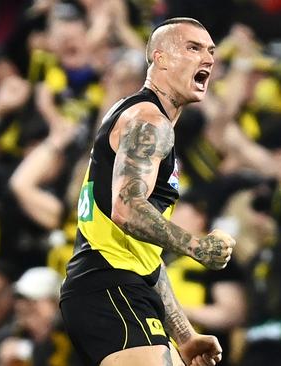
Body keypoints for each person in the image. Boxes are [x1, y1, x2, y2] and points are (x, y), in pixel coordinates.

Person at [60, 17, 236, 366]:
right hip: (109, 285)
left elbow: (144, 255)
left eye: (212, 52)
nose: (208, 59)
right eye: (193, 48)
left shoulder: (146, 120)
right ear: (160, 58)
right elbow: (127, 209)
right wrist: (196, 246)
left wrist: (184, 335)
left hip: (117, 286)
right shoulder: (148, 122)